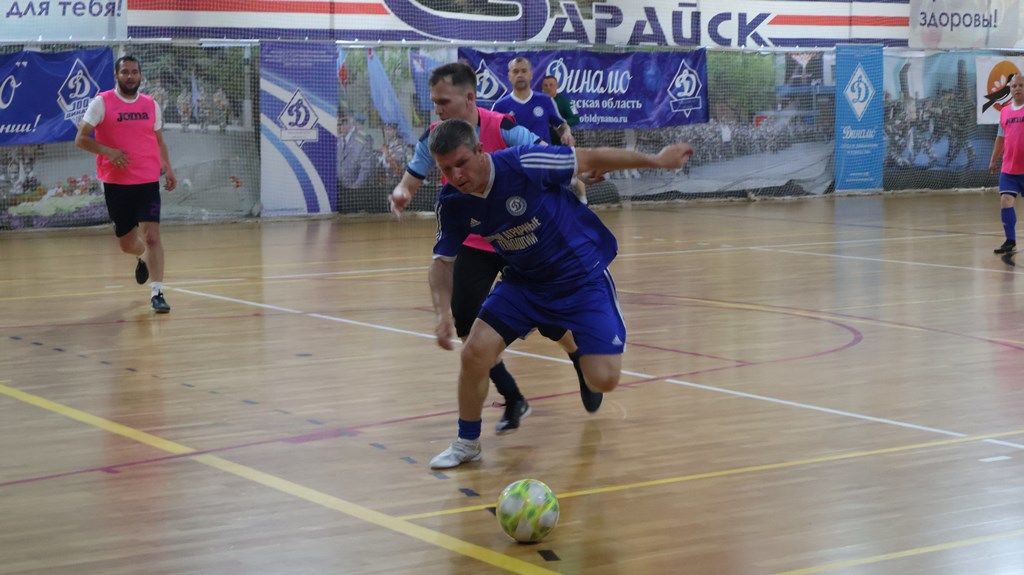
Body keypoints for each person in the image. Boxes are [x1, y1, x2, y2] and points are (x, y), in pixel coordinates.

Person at [425, 118, 693, 468]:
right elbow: (442, 263)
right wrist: (442, 313)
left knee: (604, 379)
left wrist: (656, 160)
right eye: (446, 169)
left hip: (580, 278)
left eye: (461, 163)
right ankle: (467, 443)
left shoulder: (524, 162)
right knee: (474, 352)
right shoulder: (452, 201)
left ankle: (579, 346)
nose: (456, 175)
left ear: (480, 150)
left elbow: (589, 157)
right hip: (524, 284)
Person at [391, 62, 596, 434]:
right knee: (465, 322)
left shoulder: (502, 127)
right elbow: (414, 173)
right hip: (476, 239)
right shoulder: (434, 136)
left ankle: (578, 355)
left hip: (520, 235)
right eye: (434, 102)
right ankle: (513, 397)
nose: (437, 108)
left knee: (548, 320)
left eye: (443, 101)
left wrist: (580, 173)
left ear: (469, 98)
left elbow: (546, 155)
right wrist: (402, 192)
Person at [75, 55, 178, 313]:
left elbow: (159, 140)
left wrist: (167, 167)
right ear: (116, 75)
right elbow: (81, 139)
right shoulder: (101, 103)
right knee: (127, 243)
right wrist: (109, 152)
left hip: (147, 181)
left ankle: (157, 293)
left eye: (134, 72)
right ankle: (141, 256)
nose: (130, 76)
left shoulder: (151, 105)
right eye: (125, 72)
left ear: (140, 75)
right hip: (116, 183)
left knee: (153, 236)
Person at [492, 57, 575, 148]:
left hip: (543, 155)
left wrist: (566, 133)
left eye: (524, 71)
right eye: (515, 71)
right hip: (514, 156)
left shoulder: (545, 100)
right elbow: (491, 134)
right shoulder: (499, 106)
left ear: (531, 74)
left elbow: (561, 125)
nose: (520, 75)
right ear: (509, 76)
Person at [989, 74, 1024, 264]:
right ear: (1010, 89)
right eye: (1014, 86)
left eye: (1021, 85)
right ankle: (1010, 241)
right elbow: (1000, 138)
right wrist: (993, 159)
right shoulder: (1004, 112)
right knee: (1006, 201)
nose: (1017, 88)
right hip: (1009, 168)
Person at [337, 110, 377, 211]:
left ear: (350, 123)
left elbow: (366, 169)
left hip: (355, 194)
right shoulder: (338, 140)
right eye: (338, 124)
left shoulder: (361, 141)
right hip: (339, 192)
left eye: (342, 123)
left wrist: (355, 188)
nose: (339, 127)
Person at [540, 75, 579, 146]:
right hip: (542, 138)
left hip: (559, 138)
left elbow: (576, 118)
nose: (548, 88)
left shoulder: (565, 101)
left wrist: (561, 124)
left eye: (551, 85)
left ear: (557, 86)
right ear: (542, 87)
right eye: (545, 85)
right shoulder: (538, 101)